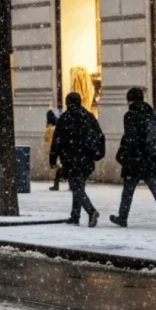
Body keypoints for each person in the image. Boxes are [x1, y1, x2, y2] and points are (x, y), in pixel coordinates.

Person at [110, 87, 156, 229]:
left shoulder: (130, 115)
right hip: (151, 158)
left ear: (129, 99)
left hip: (135, 159)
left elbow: (130, 138)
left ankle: (122, 217)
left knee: (128, 190)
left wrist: (124, 154)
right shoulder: (151, 113)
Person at [49, 91, 104, 227]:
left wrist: (53, 157)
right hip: (86, 158)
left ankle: (91, 211)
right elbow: (99, 136)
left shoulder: (64, 118)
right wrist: (97, 153)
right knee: (79, 186)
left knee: (76, 187)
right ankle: (75, 215)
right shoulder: (89, 116)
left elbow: (57, 140)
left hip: (71, 158)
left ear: (68, 103)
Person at [44, 108, 63, 191]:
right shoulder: (58, 126)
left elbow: (47, 139)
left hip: (56, 148)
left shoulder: (51, 128)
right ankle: (57, 184)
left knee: (61, 166)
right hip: (59, 148)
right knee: (61, 166)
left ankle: (56, 184)